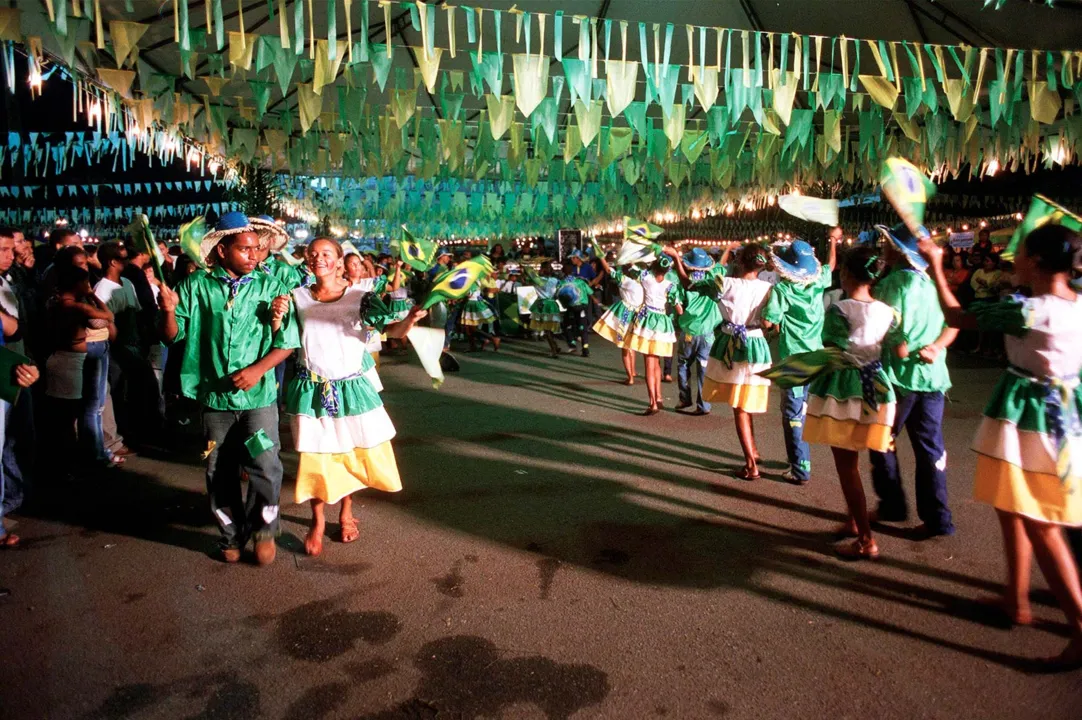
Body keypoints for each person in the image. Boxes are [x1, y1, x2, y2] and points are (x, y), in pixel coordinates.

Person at [920, 223, 1082, 668]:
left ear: (1040, 262)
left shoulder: (1028, 310)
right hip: (1064, 414)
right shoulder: (1075, 303)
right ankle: (1016, 598)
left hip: (1033, 419)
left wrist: (936, 265)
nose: (1015, 257)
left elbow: (956, 318)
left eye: (1023, 251)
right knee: (1013, 506)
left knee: (1041, 522)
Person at [157, 212, 300, 566]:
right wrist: (168, 311)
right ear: (221, 251)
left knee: (266, 466)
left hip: (260, 398)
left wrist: (257, 370)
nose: (255, 255)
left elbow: (287, 341)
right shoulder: (196, 286)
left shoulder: (271, 286)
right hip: (214, 400)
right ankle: (230, 536)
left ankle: (265, 530)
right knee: (217, 468)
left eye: (256, 249)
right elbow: (172, 337)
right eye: (245, 249)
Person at [285, 239, 427, 556]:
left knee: (350, 452)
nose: (318, 258)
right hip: (312, 389)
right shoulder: (297, 297)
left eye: (326, 254)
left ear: (339, 261)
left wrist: (410, 320)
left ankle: (346, 512)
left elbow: (393, 333)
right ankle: (317, 520)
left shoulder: (361, 298)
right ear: (307, 260)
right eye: (313, 253)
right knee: (316, 457)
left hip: (351, 388)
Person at [766, 245, 901, 559]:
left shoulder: (840, 310)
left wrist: (795, 370)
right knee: (864, 459)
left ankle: (866, 538)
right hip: (878, 389)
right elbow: (897, 350)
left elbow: (833, 348)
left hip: (845, 390)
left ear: (846, 274)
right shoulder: (889, 312)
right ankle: (853, 520)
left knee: (848, 466)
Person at [871, 224, 957, 539]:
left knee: (881, 440)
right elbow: (955, 321)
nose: (883, 246)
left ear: (898, 250)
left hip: (899, 379)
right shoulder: (935, 284)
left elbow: (889, 325)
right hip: (933, 379)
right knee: (931, 450)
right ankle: (938, 519)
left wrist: (900, 348)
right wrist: (936, 346)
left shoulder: (894, 283)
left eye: (887, 242)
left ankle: (892, 504)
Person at [762, 235, 838, 484]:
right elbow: (831, 267)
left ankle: (800, 466)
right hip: (817, 356)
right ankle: (798, 458)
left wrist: (768, 317)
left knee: (792, 413)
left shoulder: (782, 289)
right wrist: (834, 241)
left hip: (794, 359)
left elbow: (769, 321)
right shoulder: (818, 283)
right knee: (804, 408)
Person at [701, 244, 773, 480]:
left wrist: (725, 253)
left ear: (739, 261)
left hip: (734, 344)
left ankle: (751, 465)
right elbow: (770, 322)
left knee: (739, 408)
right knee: (746, 403)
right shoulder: (769, 288)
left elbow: (708, 275)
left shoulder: (727, 283)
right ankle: (754, 450)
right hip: (757, 344)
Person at [45, 262, 116, 468]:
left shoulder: (54, 302)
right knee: (71, 416)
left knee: (62, 415)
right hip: (71, 362)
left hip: (57, 358)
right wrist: (92, 295)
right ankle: (83, 460)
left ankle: (69, 462)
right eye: (85, 281)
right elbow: (108, 316)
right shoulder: (78, 307)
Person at [93, 241, 142, 459]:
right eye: (123, 259)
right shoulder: (101, 290)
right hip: (114, 350)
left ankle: (132, 433)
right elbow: (105, 322)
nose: (127, 262)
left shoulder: (128, 283)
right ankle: (114, 440)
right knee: (115, 395)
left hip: (134, 346)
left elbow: (137, 313)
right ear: (113, 262)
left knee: (132, 393)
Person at [666, 247, 724, 416]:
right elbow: (721, 266)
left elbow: (679, 310)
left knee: (683, 365)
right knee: (704, 369)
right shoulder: (712, 281)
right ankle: (704, 404)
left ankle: (684, 398)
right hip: (709, 334)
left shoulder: (682, 283)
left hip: (689, 331)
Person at [621, 257, 680, 416]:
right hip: (663, 323)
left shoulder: (646, 278)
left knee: (649, 363)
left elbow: (630, 268)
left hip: (647, 321)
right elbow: (679, 308)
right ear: (667, 270)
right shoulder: (670, 285)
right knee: (656, 362)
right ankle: (659, 397)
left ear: (653, 267)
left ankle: (653, 402)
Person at [592, 255, 644, 385]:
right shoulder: (644, 281)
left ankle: (630, 377)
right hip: (640, 315)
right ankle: (632, 372)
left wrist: (601, 258)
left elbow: (609, 271)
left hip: (626, 314)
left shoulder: (626, 281)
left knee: (624, 347)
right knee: (631, 345)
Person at [527, 262, 565, 358]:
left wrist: (526, 267)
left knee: (547, 330)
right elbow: (558, 292)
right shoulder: (555, 280)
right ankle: (555, 347)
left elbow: (527, 277)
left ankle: (554, 350)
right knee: (549, 329)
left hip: (543, 306)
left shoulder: (537, 280)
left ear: (543, 270)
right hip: (552, 304)